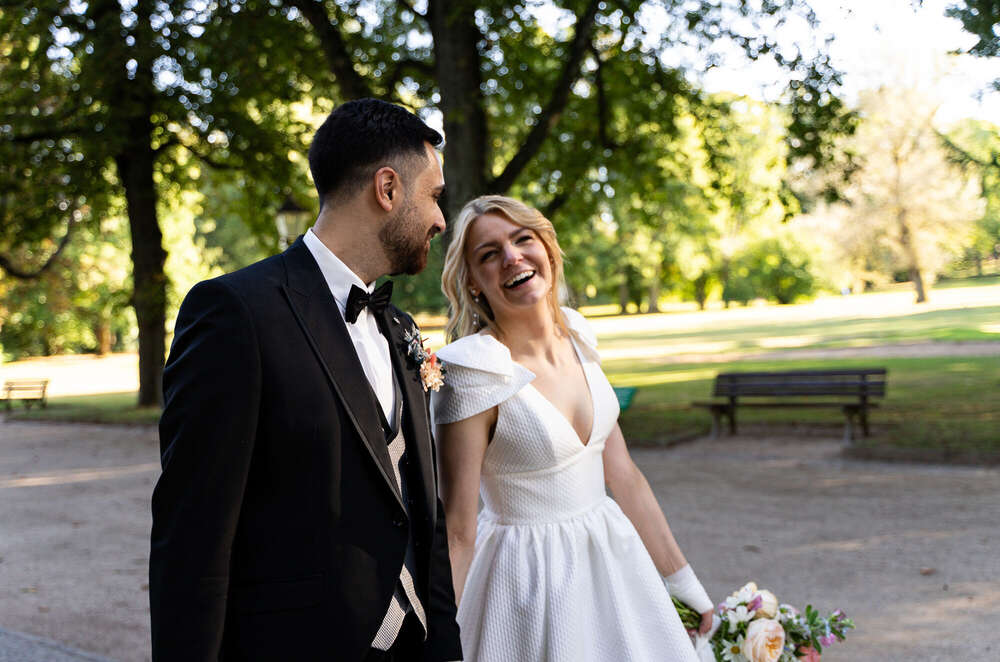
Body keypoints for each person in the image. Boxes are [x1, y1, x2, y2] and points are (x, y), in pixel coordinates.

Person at [150, 98, 463, 662]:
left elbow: (424, 519)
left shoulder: (400, 328)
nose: (442, 220)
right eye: (434, 196)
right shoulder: (234, 313)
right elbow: (193, 537)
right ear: (387, 189)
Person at [431, 195, 714, 661]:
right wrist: (435, 639)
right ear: (473, 283)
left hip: (612, 564)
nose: (512, 257)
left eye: (523, 239)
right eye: (489, 254)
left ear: (547, 248)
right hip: (525, 582)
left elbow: (623, 475)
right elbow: (458, 531)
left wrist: (683, 582)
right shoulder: (472, 373)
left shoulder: (579, 337)